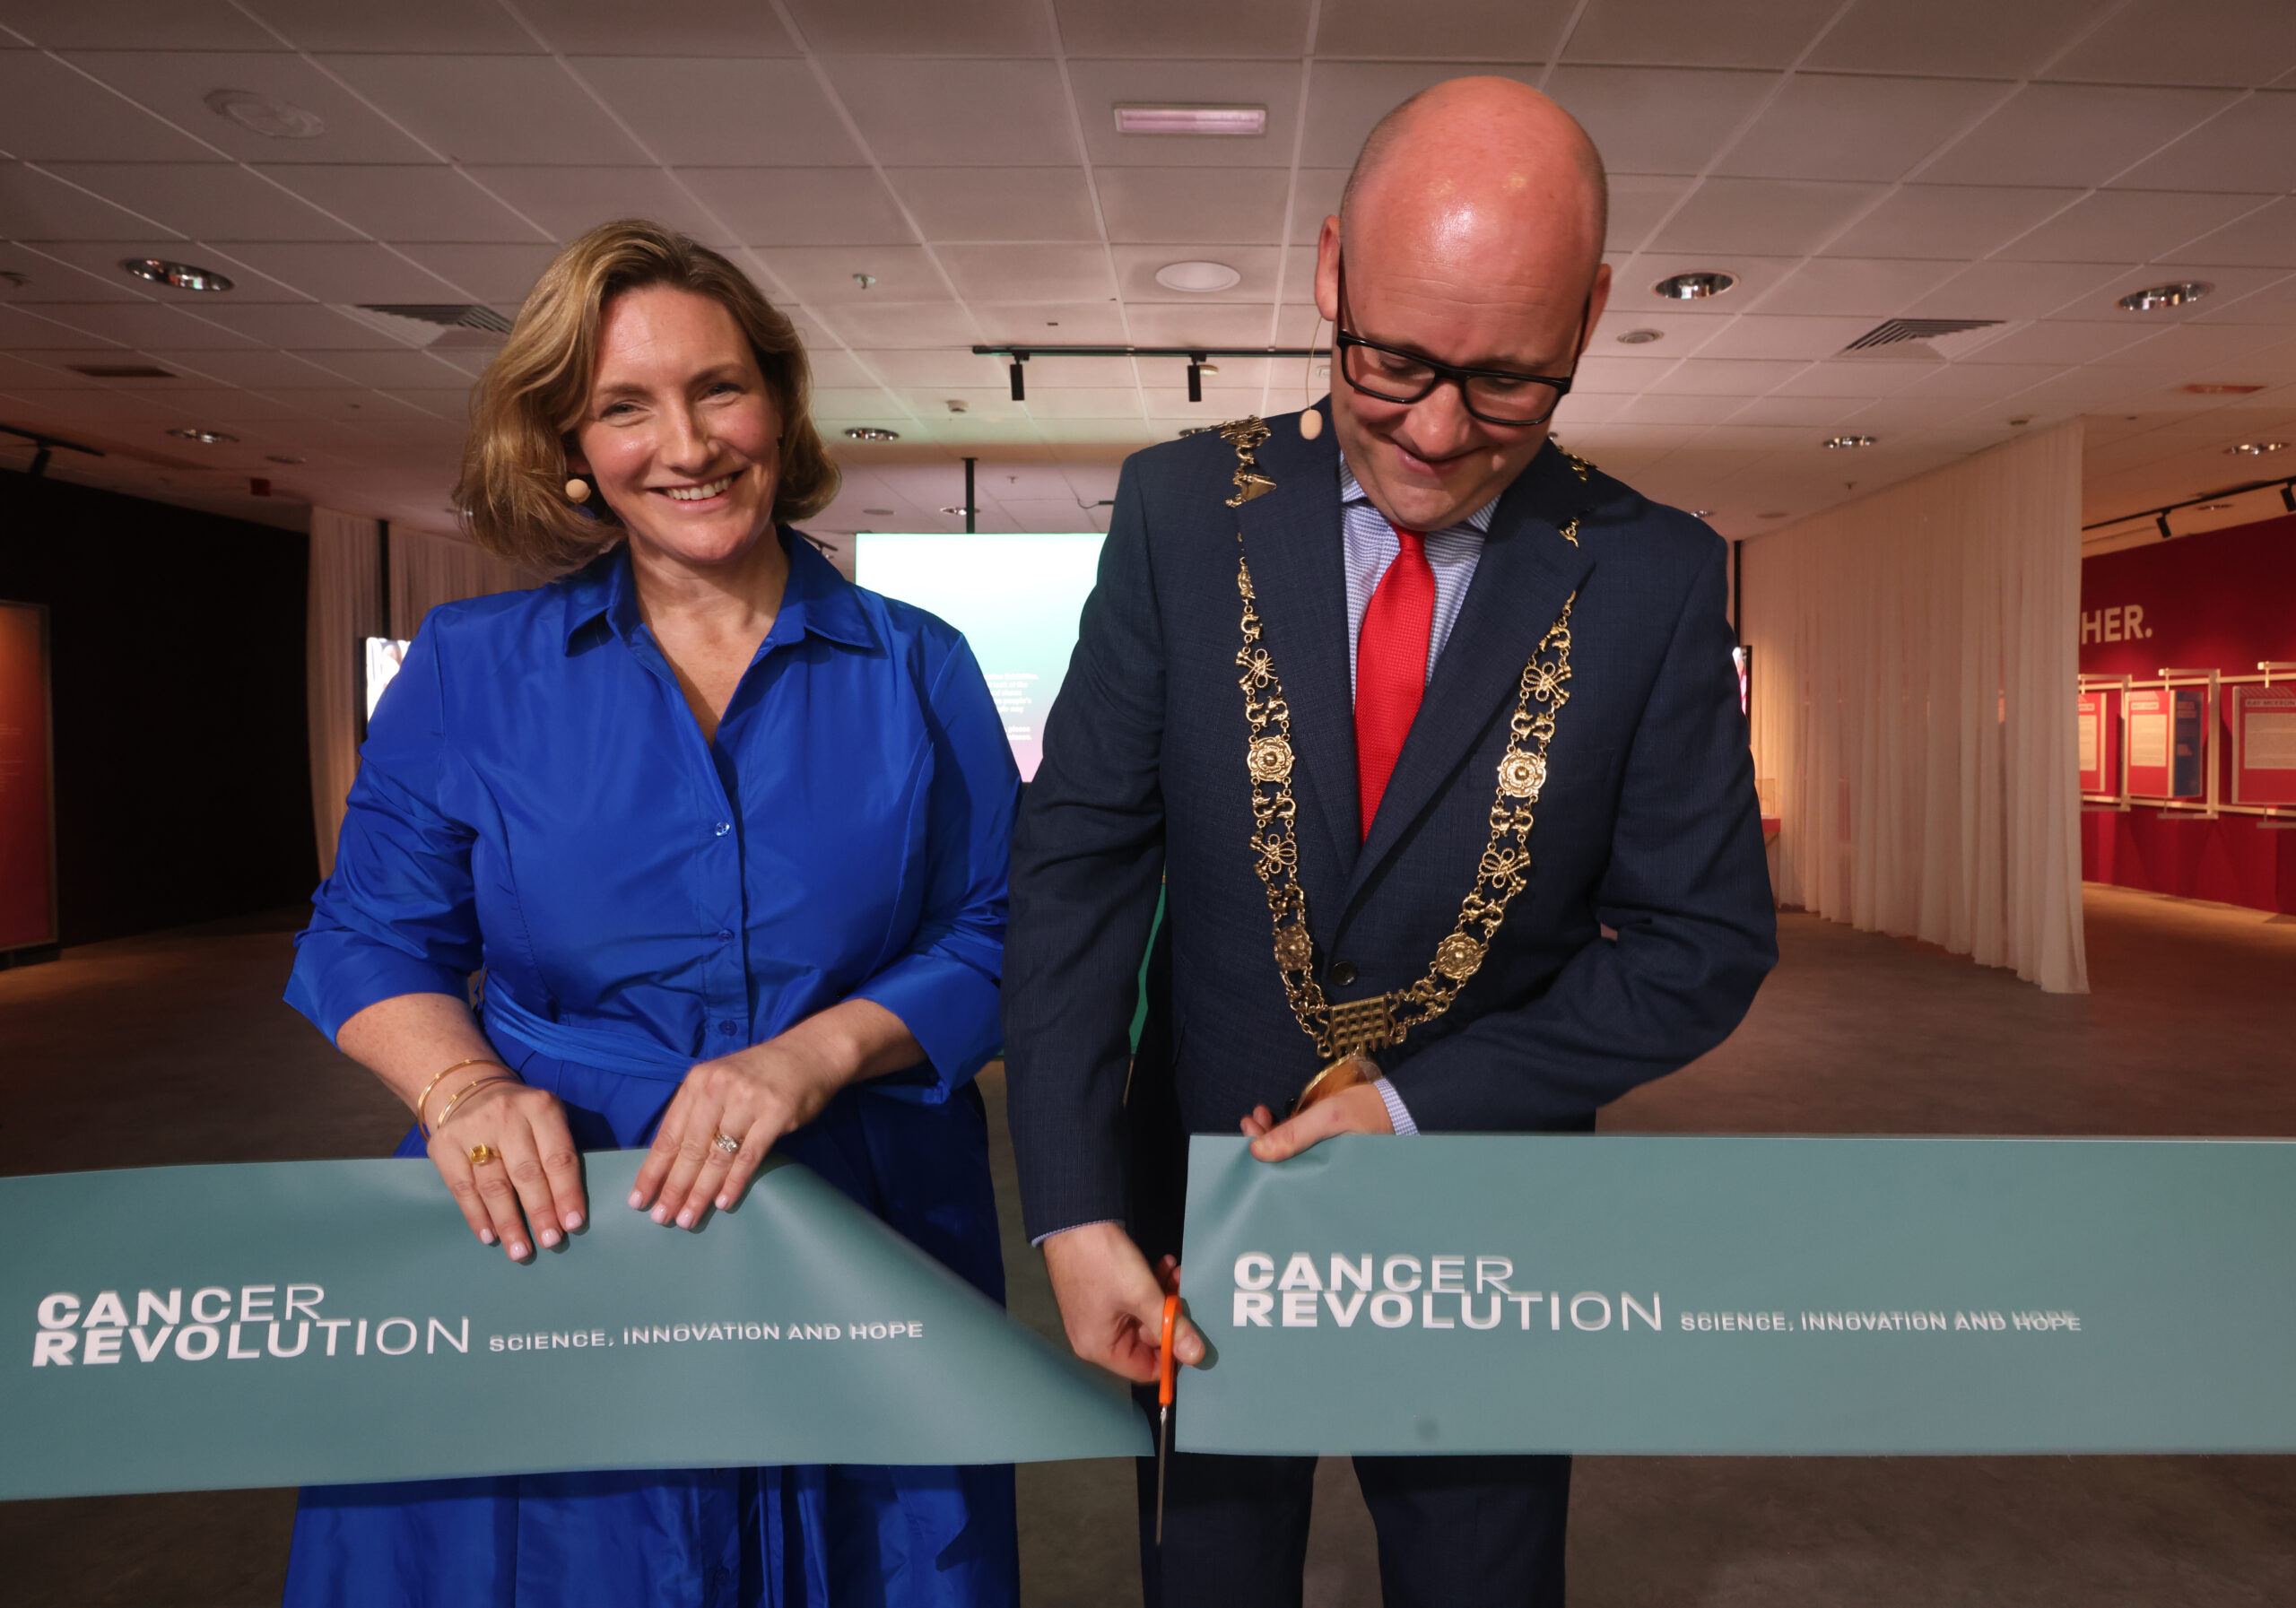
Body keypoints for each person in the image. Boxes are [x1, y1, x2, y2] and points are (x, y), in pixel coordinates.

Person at [1003, 79, 1779, 1606]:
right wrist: (1077, 1205)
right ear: (1328, 269)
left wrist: (1416, 1106)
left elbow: (1703, 945)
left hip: (1481, 1214)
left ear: (1593, 314)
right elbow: (1078, 864)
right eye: (1393, 359)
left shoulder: (1657, 576)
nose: (1435, 431)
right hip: (1188, 1218)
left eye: (1507, 384)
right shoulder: (1180, 511)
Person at [283, 220, 1022, 1608]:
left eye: (718, 389)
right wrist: (458, 1089)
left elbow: (1002, 928)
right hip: (551, 1217)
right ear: (571, 443)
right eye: (626, 406)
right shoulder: (471, 667)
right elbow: (370, 935)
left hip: (856, 1216)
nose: (686, 443)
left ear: (780, 404)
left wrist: (814, 1054)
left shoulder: (921, 667)